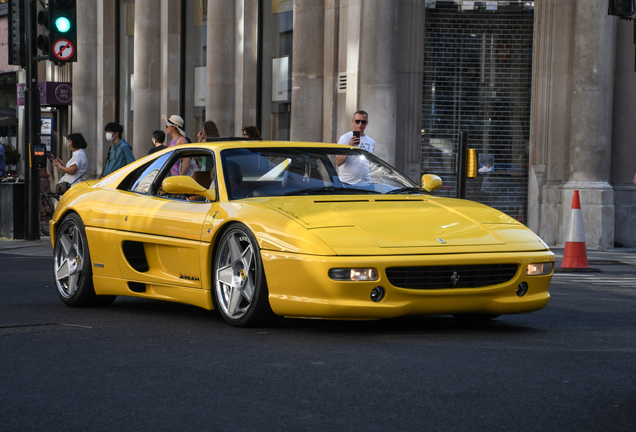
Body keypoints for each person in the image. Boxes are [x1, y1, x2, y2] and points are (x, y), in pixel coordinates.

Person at [336, 110, 376, 184]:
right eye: (357, 121)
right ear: (353, 121)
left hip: (366, 183)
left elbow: (368, 164)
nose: (360, 124)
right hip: (347, 183)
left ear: (366, 123)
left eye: (363, 122)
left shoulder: (371, 142)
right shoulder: (345, 138)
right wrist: (349, 147)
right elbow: (338, 162)